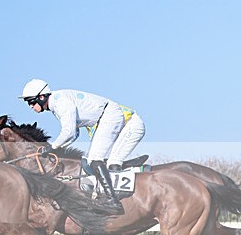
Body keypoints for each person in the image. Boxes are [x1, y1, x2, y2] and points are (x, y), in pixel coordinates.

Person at [19, 78, 146, 211]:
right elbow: (74, 134)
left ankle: (112, 200)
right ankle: (115, 192)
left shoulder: (60, 102)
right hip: (107, 116)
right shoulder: (56, 104)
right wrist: (56, 148)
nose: (30, 106)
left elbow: (69, 131)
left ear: (41, 97)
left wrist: (52, 146)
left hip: (109, 116)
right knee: (102, 161)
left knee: (94, 159)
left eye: (31, 102)